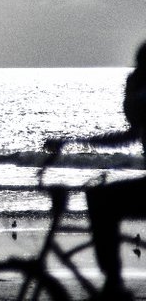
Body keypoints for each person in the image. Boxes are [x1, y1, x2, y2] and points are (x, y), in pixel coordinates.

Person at [46, 41, 146, 300]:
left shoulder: (142, 94)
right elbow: (128, 136)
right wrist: (75, 142)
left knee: (101, 199)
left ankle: (113, 283)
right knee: (102, 198)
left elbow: (130, 129)